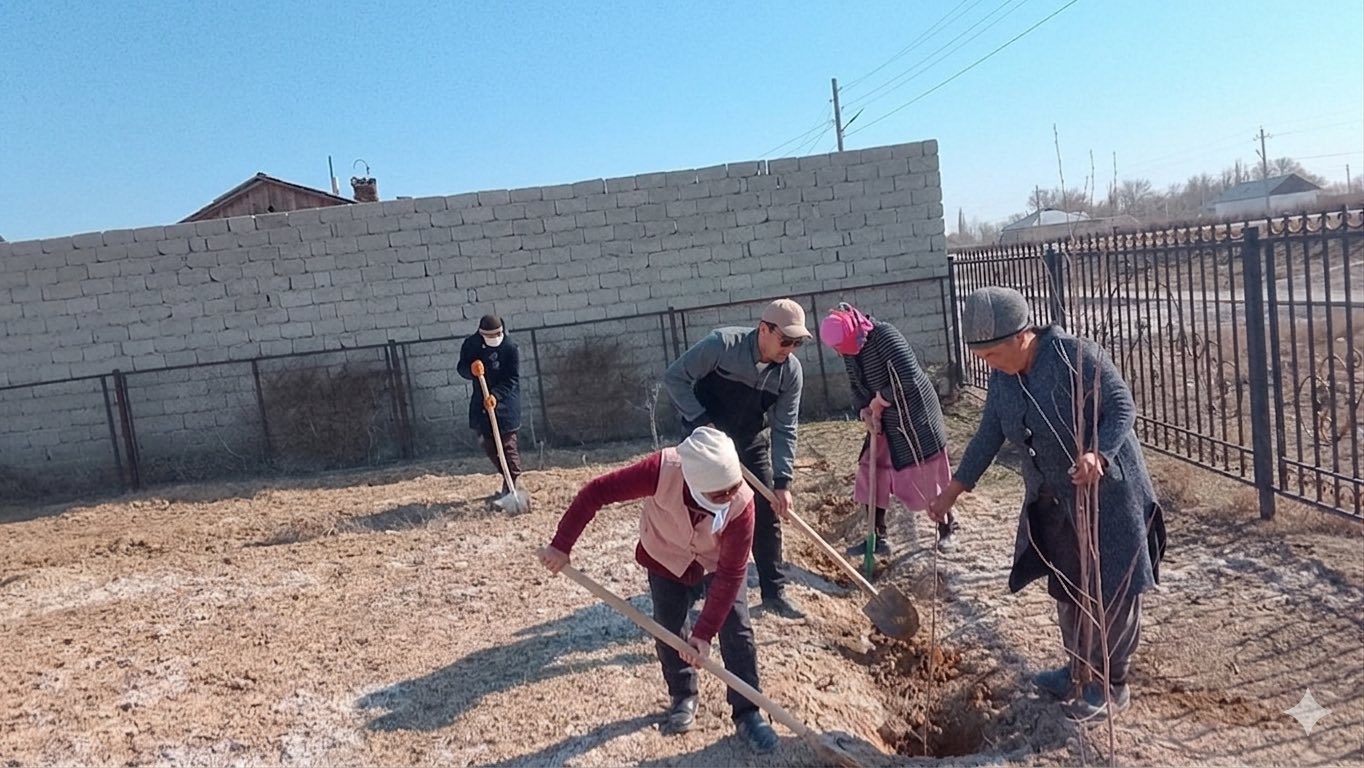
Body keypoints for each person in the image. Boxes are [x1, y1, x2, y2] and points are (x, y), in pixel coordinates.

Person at [927, 286, 1166, 722]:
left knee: (1112, 589)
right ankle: (1077, 672)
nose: (989, 364)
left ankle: (1110, 685)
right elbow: (988, 435)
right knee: (1070, 586)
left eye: (993, 354)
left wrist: (1098, 454)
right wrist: (952, 491)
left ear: (1023, 336)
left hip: (1108, 496)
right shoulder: (1003, 379)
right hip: (1055, 500)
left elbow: (1121, 407)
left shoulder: (1075, 356)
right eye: (981, 356)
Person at [538, 427, 780, 754]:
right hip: (665, 552)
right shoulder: (661, 470)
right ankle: (683, 696)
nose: (728, 498)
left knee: (737, 628)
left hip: (715, 561)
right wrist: (561, 545)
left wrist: (704, 633)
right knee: (669, 626)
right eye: (718, 495)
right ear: (695, 484)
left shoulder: (742, 504)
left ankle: (748, 711)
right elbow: (596, 492)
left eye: (732, 490)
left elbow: (732, 573)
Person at [662, 299, 810, 620]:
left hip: (749, 439)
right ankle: (692, 588)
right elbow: (675, 378)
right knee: (700, 511)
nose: (790, 349)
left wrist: (783, 482)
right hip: (705, 440)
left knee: (765, 512)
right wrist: (701, 421)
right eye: (786, 340)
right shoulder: (722, 346)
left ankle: (774, 592)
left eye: (796, 343)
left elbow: (786, 426)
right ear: (764, 330)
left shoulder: (790, 373)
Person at [818, 302, 959, 556]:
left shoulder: (884, 335)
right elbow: (856, 385)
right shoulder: (851, 349)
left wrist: (880, 400)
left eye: (840, 347)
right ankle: (877, 538)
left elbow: (909, 377)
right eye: (836, 349)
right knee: (870, 471)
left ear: (851, 331)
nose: (839, 353)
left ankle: (947, 527)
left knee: (924, 474)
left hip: (915, 414)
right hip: (883, 418)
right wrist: (864, 411)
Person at [456, 314, 522, 506]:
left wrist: (496, 396)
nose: (494, 338)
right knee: (487, 442)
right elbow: (461, 367)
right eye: (490, 336)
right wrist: (471, 370)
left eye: (497, 335)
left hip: (506, 402)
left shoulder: (510, 348)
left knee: (507, 445)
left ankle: (514, 482)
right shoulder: (471, 345)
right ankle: (507, 477)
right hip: (481, 402)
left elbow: (512, 378)